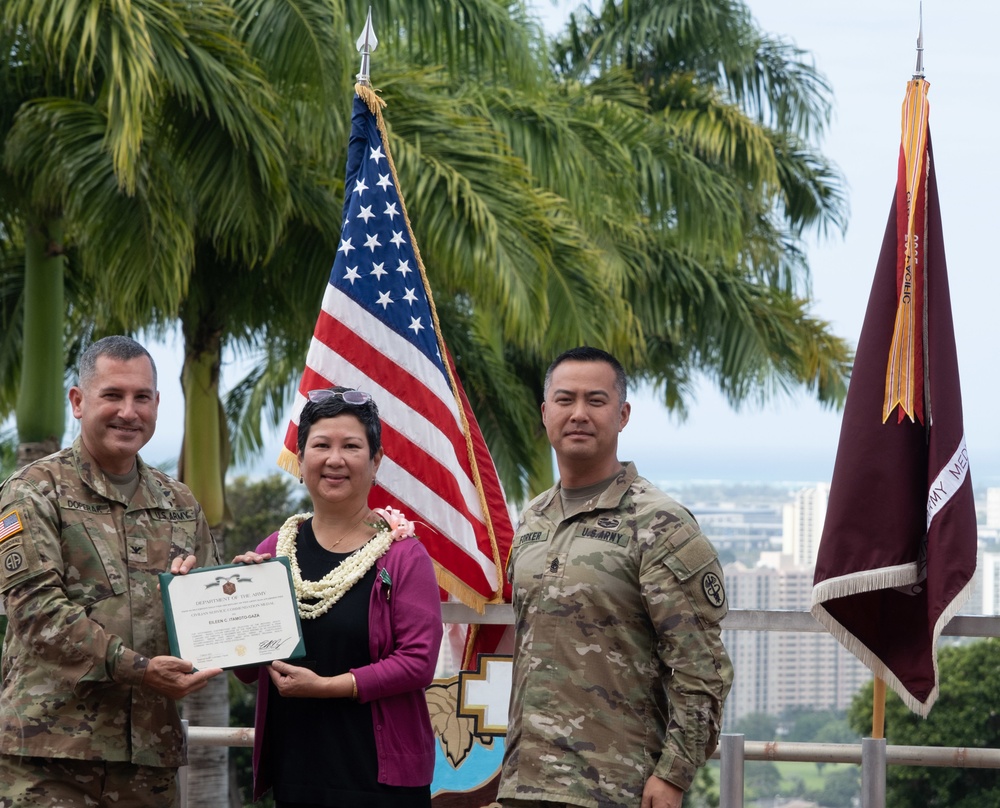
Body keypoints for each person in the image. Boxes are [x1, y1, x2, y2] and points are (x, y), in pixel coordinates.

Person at [498, 347, 734, 808]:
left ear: (623, 415)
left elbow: (701, 669)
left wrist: (674, 775)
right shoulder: (532, 521)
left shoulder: (660, 523)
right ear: (546, 413)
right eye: (565, 400)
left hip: (618, 787)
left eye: (596, 401)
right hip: (525, 784)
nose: (579, 414)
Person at [0, 335, 222, 807]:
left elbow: (215, 617)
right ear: (78, 402)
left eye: (142, 397)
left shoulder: (179, 503)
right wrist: (139, 670)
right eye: (113, 395)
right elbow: (36, 614)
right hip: (50, 759)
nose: (129, 411)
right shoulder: (33, 491)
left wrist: (245, 590)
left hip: (149, 759)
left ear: (158, 404)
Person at [233, 386, 443, 807]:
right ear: (301, 458)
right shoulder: (276, 549)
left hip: (379, 780)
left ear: (375, 460)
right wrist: (241, 606)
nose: (335, 459)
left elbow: (418, 662)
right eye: (321, 445)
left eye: (351, 446)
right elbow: (246, 671)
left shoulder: (402, 555)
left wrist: (327, 687)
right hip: (297, 768)